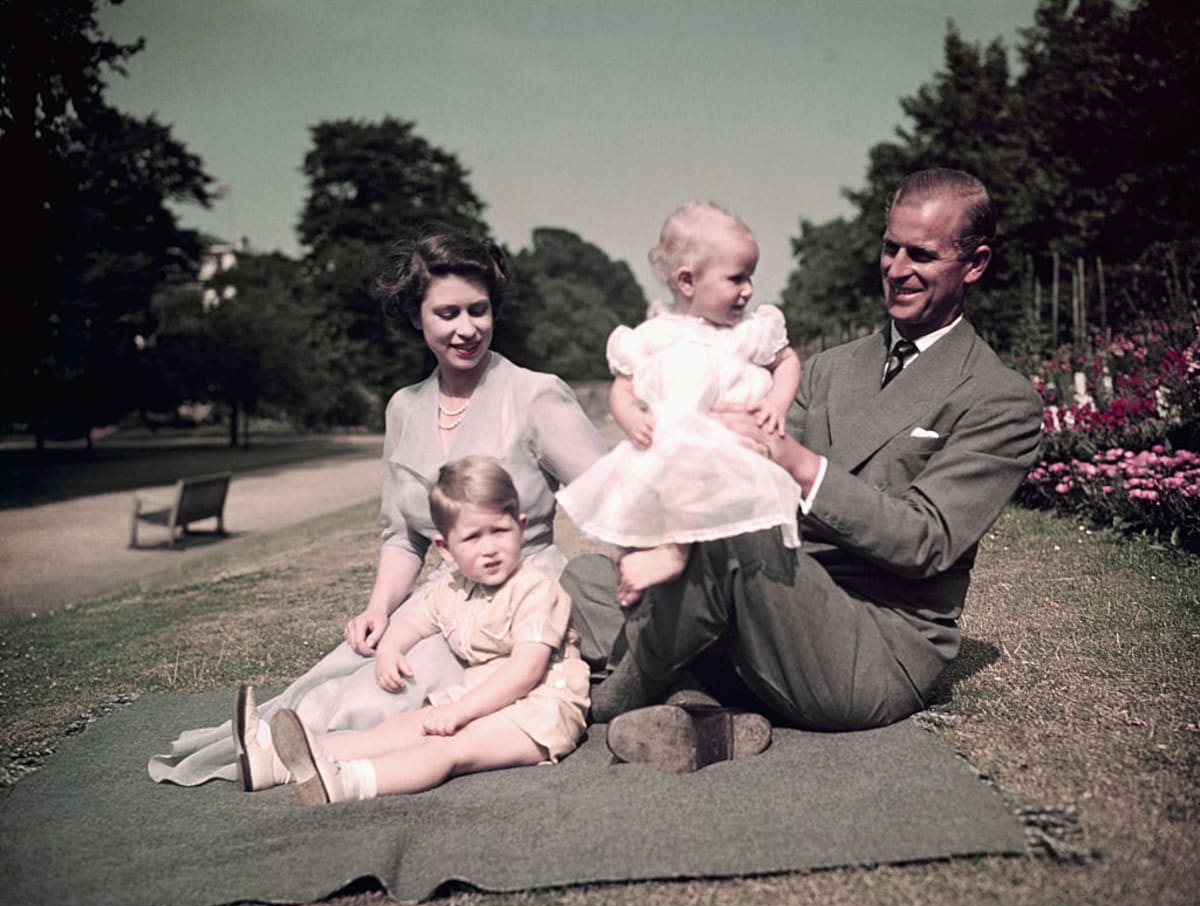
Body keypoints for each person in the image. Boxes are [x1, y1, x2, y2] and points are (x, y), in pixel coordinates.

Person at [568, 169, 1045, 770]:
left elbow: (926, 542)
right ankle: (703, 708)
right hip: (769, 595)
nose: (897, 268)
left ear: (974, 265)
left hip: (869, 642)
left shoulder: (999, 398)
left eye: (921, 254)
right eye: (889, 246)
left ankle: (632, 688)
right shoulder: (826, 369)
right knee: (588, 576)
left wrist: (795, 463)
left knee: (726, 534)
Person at [148, 229, 606, 789]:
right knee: (345, 668)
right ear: (417, 317)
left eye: (479, 310)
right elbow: (403, 536)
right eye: (448, 313)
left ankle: (299, 759)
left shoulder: (536, 394)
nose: (467, 328)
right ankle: (271, 750)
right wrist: (379, 608)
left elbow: (611, 498)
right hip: (443, 599)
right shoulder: (404, 409)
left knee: (383, 692)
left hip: (515, 604)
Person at [267, 457, 590, 804]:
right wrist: (390, 650)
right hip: (482, 702)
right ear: (445, 549)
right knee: (403, 727)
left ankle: (349, 782)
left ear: (521, 527)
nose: (489, 548)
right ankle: (283, 762)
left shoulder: (536, 589)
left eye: (500, 531)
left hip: (540, 712)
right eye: (472, 538)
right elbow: (412, 623)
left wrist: (459, 712)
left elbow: (525, 671)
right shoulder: (452, 589)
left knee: (445, 747)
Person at [556, 202, 804, 608]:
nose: (749, 290)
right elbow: (622, 388)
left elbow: (788, 360)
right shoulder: (653, 336)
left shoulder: (749, 331)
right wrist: (630, 416)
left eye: (751, 277)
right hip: (671, 450)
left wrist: (778, 401)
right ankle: (635, 561)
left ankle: (675, 553)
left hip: (729, 450)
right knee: (636, 501)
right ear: (687, 281)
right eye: (737, 278)